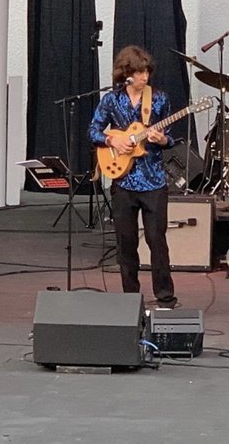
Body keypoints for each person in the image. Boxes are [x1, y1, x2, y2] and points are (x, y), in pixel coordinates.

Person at [90, 45, 179, 309]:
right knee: (125, 242)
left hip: (153, 180)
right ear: (127, 73)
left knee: (156, 239)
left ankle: (165, 296)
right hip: (123, 181)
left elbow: (170, 138)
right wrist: (112, 141)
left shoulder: (160, 99)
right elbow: (93, 130)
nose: (145, 77)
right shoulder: (111, 100)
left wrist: (162, 139)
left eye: (147, 72)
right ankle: (131, 297)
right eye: (140, 72)